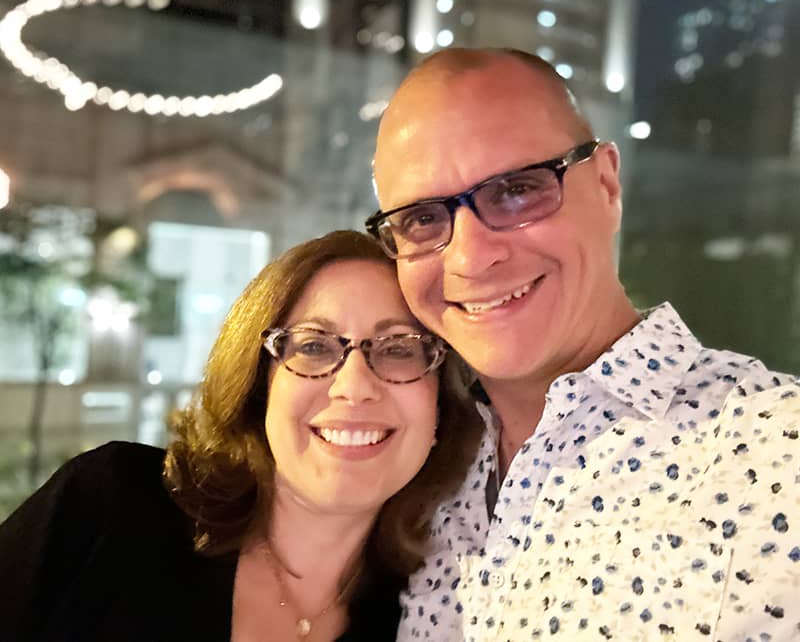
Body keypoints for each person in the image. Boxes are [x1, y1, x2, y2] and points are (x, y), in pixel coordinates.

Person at [365, 47, 800, 641]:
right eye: (421, 219)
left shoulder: (778, 453)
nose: (470, 257)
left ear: (607, 184)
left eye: (517, 189)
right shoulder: (409, 471)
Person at [0, 230, 482, 642]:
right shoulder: (110, 504)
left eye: (399, 348)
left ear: (442, 405)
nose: (354, 386)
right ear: (258, 386)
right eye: (313, 346)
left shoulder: (432, 616)